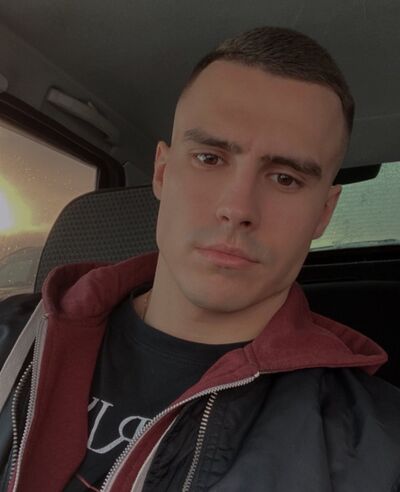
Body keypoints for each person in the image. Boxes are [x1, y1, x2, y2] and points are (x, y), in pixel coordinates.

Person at [1, 26, 400, 492]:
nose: (237, 208)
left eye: (286, 179)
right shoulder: (13, 337)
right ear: (162, 172)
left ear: (324, 214)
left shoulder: (375, 448)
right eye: (210, 158)